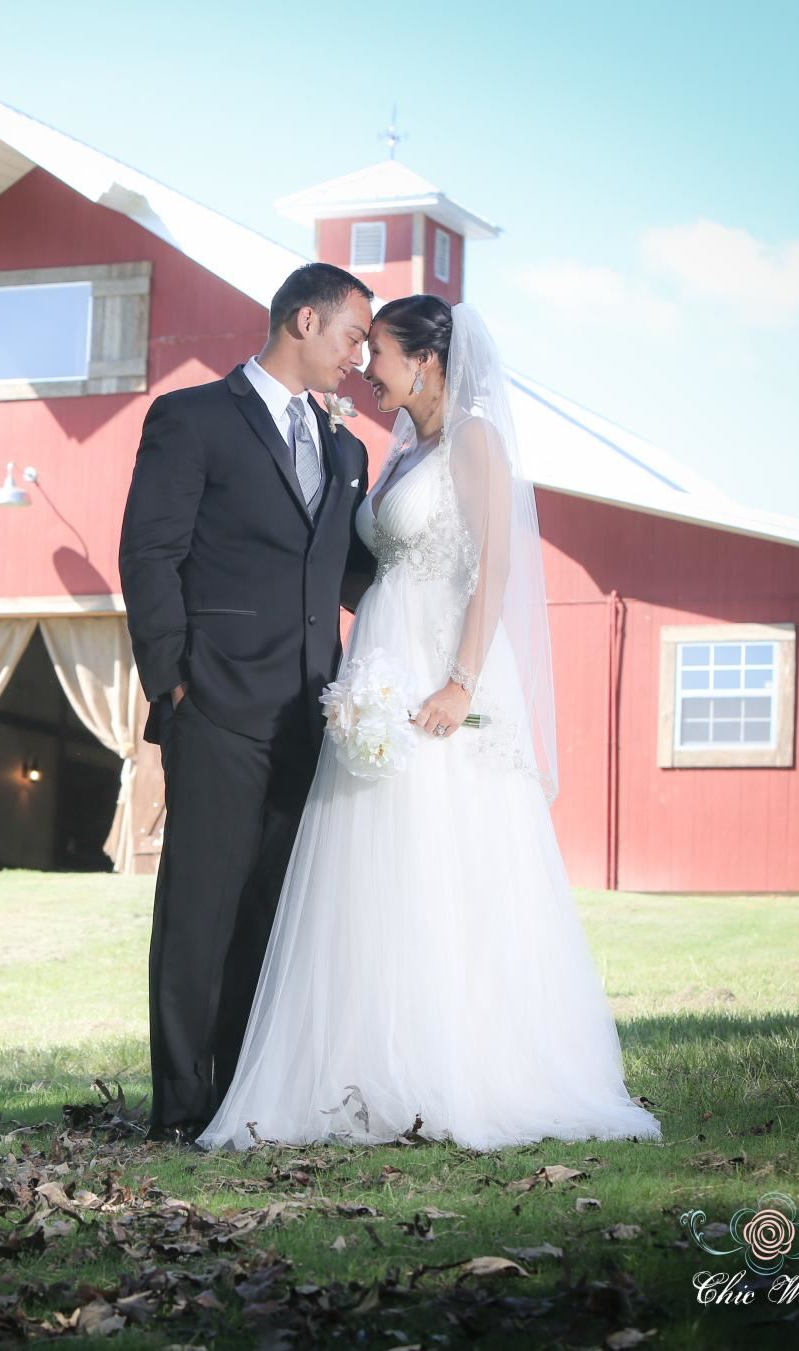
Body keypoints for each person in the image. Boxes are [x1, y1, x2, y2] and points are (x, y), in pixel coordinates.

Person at [195, 296, 661, 1152]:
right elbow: (370, 563)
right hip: (377, 670)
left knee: (443, 858)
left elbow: (495, 571)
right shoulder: (402, 450)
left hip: (437, 676)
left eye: (378, 351)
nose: (366, 366)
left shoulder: (475, 440)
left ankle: (462, 1065)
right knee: (369, 865)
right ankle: (364, 1066)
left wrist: (459, 681)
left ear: (427, 361)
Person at [119, 262, 378, 1143]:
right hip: (216, 705)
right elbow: (148, 554)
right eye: (353, 337)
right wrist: (171, 682)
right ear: (304, 320)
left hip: (313, 713)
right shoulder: (190, 418)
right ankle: (184, 1106)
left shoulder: (347, 451)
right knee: (201, 908)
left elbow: (350, 573)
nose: (360, 357)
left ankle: (246, 1094)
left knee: (275, 908)